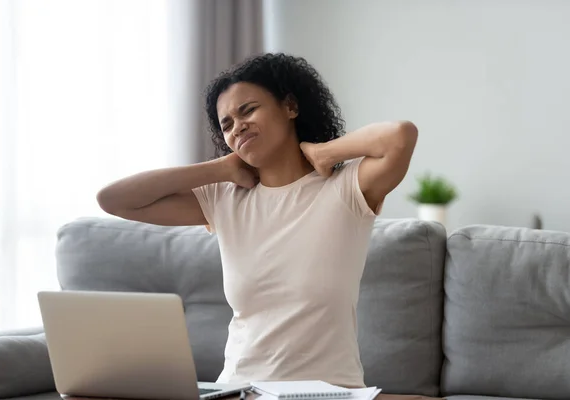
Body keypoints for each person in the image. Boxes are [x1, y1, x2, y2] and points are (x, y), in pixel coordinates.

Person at [96, 53, 418, 388]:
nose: (238, 127)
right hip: (238, 390)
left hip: (329, 392)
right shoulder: (223, 198)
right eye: (227, 125)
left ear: (290, 106)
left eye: (248, 110)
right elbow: (114, 199)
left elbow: (400, 136)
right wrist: (219, 168)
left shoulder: (346, 187)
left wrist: (326, 152)